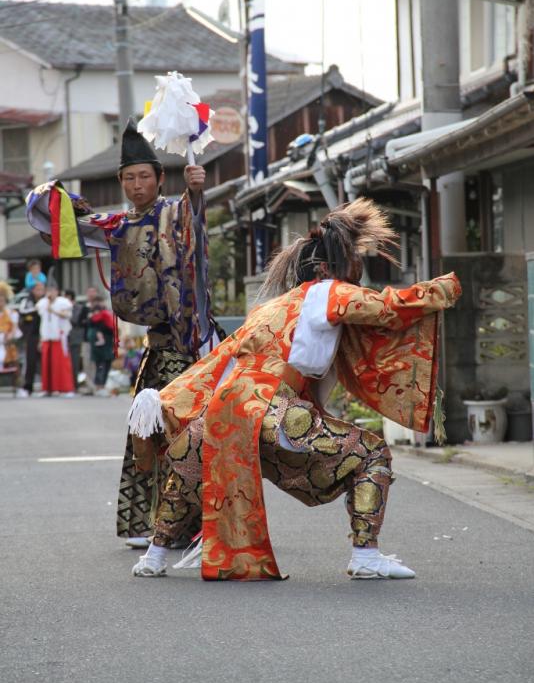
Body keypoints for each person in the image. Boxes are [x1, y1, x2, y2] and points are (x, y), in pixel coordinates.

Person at [129, 198, 462, 581]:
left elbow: (222, 360)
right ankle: (365, 555)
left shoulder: (274, 306)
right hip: (273, 408)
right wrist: (445, 288)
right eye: (352, 260)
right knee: (372, 454)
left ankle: (153, 556)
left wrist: (177, 403)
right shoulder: (330, 292)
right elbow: (389, 307)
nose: (358, 269)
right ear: (325, 267)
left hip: (225, 409)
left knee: (189, 469)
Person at [26, 118, 213, 546]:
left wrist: (197, 188)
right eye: (128, 178)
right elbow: (59, 224)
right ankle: (146, 524)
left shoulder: (175, 211)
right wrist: (58, 199)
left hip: (189, 346)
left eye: (144, 176)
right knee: (145, 432)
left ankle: (189, 525)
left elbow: (194, 213)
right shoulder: (118, 225)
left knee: (188, 434)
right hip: (155, 348)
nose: (136, 184)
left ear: (160, 178)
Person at [35, 283, 75, 397]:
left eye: (53, 291)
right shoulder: (43, 303)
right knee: (46, 364)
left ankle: (64, 388)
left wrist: (53, 310)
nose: (50, 293)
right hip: (46, 336)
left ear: (57, 292)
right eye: (49, 291)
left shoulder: (62, 302)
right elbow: (41, 316)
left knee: (61, 363)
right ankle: (47, 388)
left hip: (59, 336)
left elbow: (67, 315)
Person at [16, 281, 46, 397]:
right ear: (33, 290)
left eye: (42, 289)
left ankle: (48, 386)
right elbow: (23, 312)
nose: (40, 291)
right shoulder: (27, 301)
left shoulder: (46, 301)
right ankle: (28, 387)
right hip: (32, 335)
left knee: (46, 361)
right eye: (38, 289)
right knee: (31, 361)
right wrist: (36, 309)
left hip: (45, 334)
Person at [87, 296, 114, 397]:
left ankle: (102, 385)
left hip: (107, 345)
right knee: (101, 366)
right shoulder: (92, 320)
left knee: (106, 366)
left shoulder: (105, 315)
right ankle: (99, 386)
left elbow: (111, 328)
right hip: (99, 348)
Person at [65, 289, 86, 390]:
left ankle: (74, 384)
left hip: (75, 337)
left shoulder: (78, 307)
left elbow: (75, 320)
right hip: (64, 337)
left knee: (74, 361)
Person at [0, 282, 21, 371]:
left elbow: (14, 328)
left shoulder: (12, 313)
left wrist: (9, 336)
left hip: (7, 341)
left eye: (2, 300)